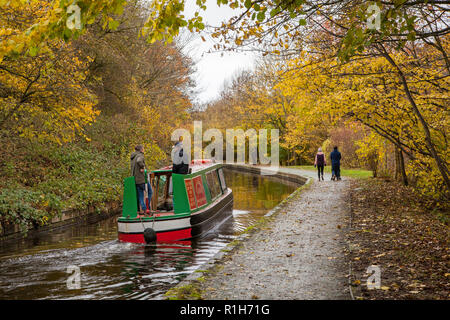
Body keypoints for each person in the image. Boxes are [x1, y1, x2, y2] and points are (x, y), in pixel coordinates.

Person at [130, 145, 152, 214]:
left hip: (136, 180)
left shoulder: (133, 157)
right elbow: (139, 161)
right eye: (143, 149)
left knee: (140, 196)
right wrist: (143, 167)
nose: (144, 150)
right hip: (142, 179)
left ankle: (144, 209)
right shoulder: (140, 155)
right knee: (150, 191)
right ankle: (148, 207)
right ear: (141, 149)